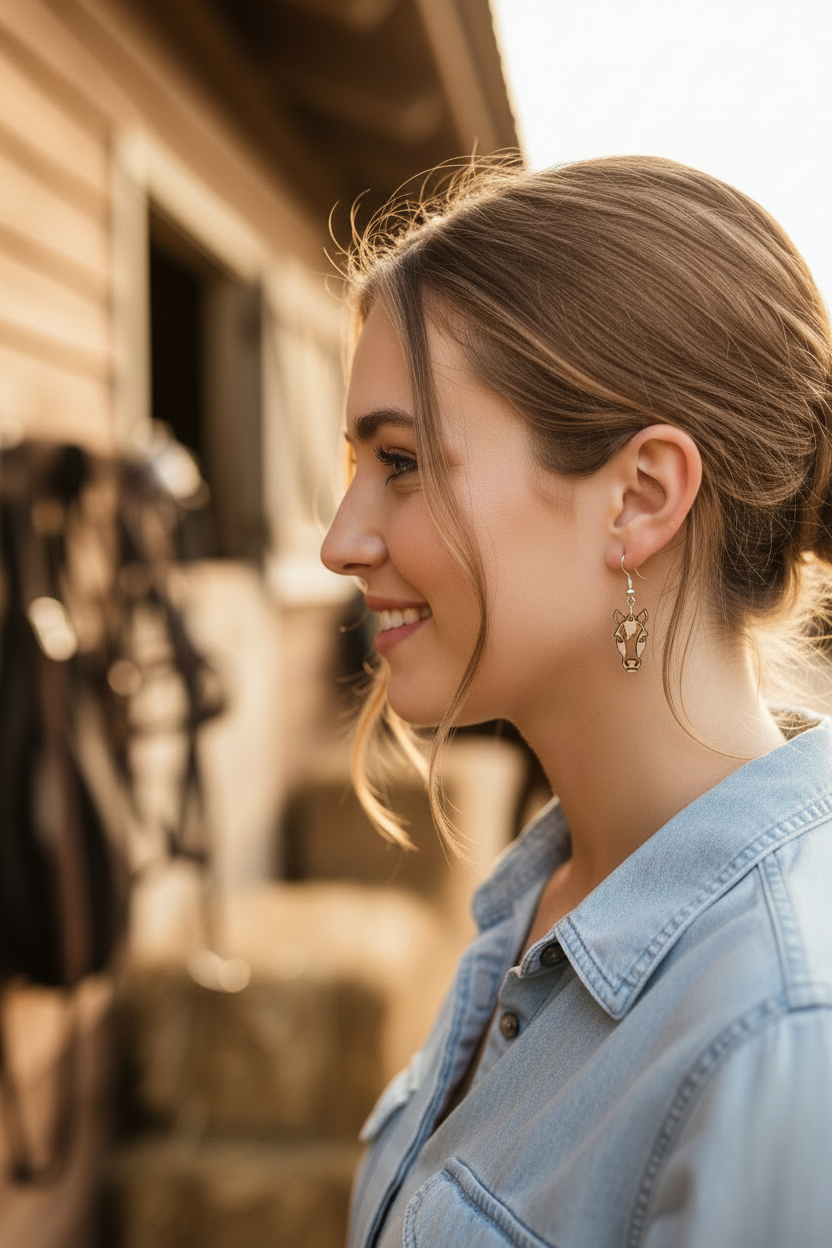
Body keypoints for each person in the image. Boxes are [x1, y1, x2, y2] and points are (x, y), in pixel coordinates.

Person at [320, 155, 832, 1248]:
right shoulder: (550, 892)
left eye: (401, 462)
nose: (340, 540)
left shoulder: (780, 1037)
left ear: (639, 498)